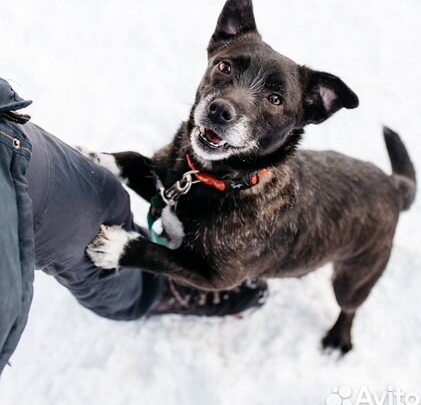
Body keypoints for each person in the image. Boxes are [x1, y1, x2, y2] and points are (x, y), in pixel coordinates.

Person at [0, 78, 267, 374]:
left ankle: (155, 265)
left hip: (7, 143)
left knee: (98, 198)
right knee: (94, 257)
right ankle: (154, 293)